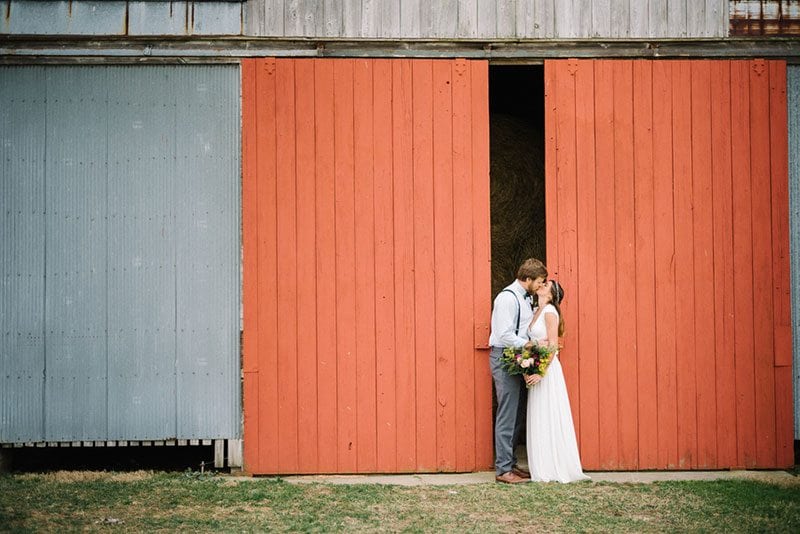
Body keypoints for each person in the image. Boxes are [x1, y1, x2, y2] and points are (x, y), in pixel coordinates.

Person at [488, 258, 548, 484]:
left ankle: (511, 463)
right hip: (504, 355)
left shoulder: (524, 299)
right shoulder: (507, 298)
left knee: (517, 412)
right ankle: (503, 469)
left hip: (516, 356)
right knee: (507, 412)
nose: (541, 286)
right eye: (540, 282)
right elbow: (503, 334)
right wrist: (528, 346)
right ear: (528, 279)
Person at [525, 280, 590, 483]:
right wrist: (531, 347)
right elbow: (538, 342)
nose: (542, 285)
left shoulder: (550, 311)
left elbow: (553, 346)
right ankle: (542, 463)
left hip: (548, 370)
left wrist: (541, 372)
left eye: (546, 285)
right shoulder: (536, 309)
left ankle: (553, 466)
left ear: (551, 295)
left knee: (549, 413)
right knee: (539, 414)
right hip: (538, 365)